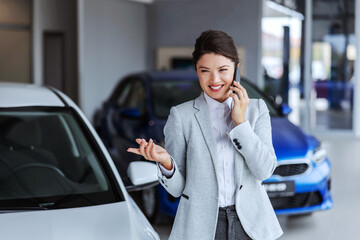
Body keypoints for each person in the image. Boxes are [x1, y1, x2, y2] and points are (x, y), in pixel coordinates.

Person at [127, 30, 283, 240]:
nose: (215, 79)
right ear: (197, 72)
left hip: (251, 225)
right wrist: (166, 163)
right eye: (205, 71)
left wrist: (240, 123)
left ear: (236, 69)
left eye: (223, 69)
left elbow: (264, 171)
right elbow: (177, 189)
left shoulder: (256, 110)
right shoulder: (181, 116)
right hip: (201, 226)